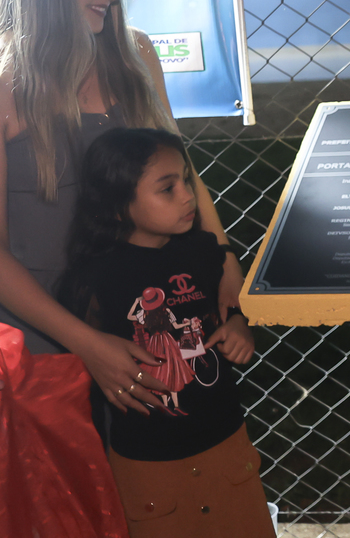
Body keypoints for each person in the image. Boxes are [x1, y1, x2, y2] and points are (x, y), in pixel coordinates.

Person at [0, 0, 244, 417]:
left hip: (147, 319)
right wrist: (88, 343)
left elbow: (182, 174)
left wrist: (224, 258)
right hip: (43, 339)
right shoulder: (4, 85)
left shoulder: (137, 56)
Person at [60, 127, 273, 537]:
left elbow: (228, 311)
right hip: (148, 466)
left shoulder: (203, 252)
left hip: (226, 446)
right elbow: (82, 355)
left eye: (187, 181)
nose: (188, 196)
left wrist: (239, 326)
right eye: (167, 188)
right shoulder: (96, 278)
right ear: (118, 204)